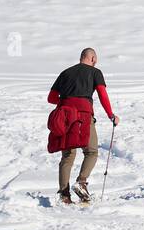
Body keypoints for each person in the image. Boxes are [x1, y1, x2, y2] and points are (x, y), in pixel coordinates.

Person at [46, 47, 118, 204]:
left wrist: (66, 102)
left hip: (64, 115)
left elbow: (51, 98)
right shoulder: (95, 72)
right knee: (91, 151)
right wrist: (111, 115)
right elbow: (102, 93)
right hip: (83, 115)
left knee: (68, 155)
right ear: (92, 59)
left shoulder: (65, 73)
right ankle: (81, 182)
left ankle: (64, 195)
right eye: (95, 60)